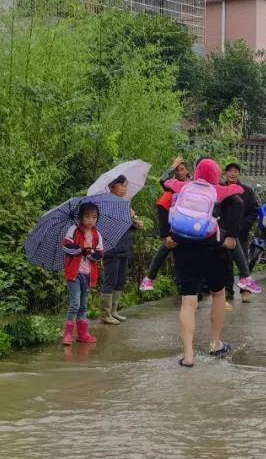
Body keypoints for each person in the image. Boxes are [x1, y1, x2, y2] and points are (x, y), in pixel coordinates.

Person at [163, 158, 245, 367]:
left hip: (184, 248)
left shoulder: (183, 186)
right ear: (216, 175)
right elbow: (239, 201)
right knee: (218, 294)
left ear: (197, 173)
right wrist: (232, 236)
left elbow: (164, 193)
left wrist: (166, 235)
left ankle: (188, 355)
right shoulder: (219, 190)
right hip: (212, 249)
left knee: (188, 302)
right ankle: (215, 343)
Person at [139, 157, 190, 292]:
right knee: (168, 250)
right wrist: (166, 234)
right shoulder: (171, 186)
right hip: (174, 227)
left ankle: (194, 287)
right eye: (177, 170)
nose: (179, 172)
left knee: (185, 258)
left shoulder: (193, 185)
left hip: (190, 227)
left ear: (187, 170)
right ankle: (152, 278)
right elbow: (162, 180)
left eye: (182, 169)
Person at [100, 175, 143, 325]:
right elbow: (107, 225)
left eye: (126, 186)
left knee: (120, 280)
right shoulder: (106, 204)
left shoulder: (124, 204)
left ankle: (113, 311)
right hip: (111, 249)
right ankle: (105, 314)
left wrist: (135, 224)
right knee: (110, 280)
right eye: (122, 185)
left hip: (124, 247)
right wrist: (128, 214)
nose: (125, 189)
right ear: (112, 186)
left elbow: (124, 226)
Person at [61, 202, 104, 345]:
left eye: (94, 217)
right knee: (75, 303)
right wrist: (81, 249)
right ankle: (67, 334)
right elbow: (66, 247)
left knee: (84, 303)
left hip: (88, 273)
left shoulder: (97, 234)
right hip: (74, 272)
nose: (91, 220)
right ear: (80, 217)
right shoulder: (73, 230)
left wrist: (90, 252)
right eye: (87, 216)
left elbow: (99, 254)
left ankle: (83, 333)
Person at [223, 162, 263, 304]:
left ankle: (245, 290)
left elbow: (254, 210)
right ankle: (227, 289)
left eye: (235, 171)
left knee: (243, 261)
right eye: (230, 171)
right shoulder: (221, 189)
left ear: (239, 173)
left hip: (241, 232)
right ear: (225, 173)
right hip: (224, 233)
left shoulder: (246, 190)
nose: (233, 173)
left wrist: (244, 225)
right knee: (225, 261)